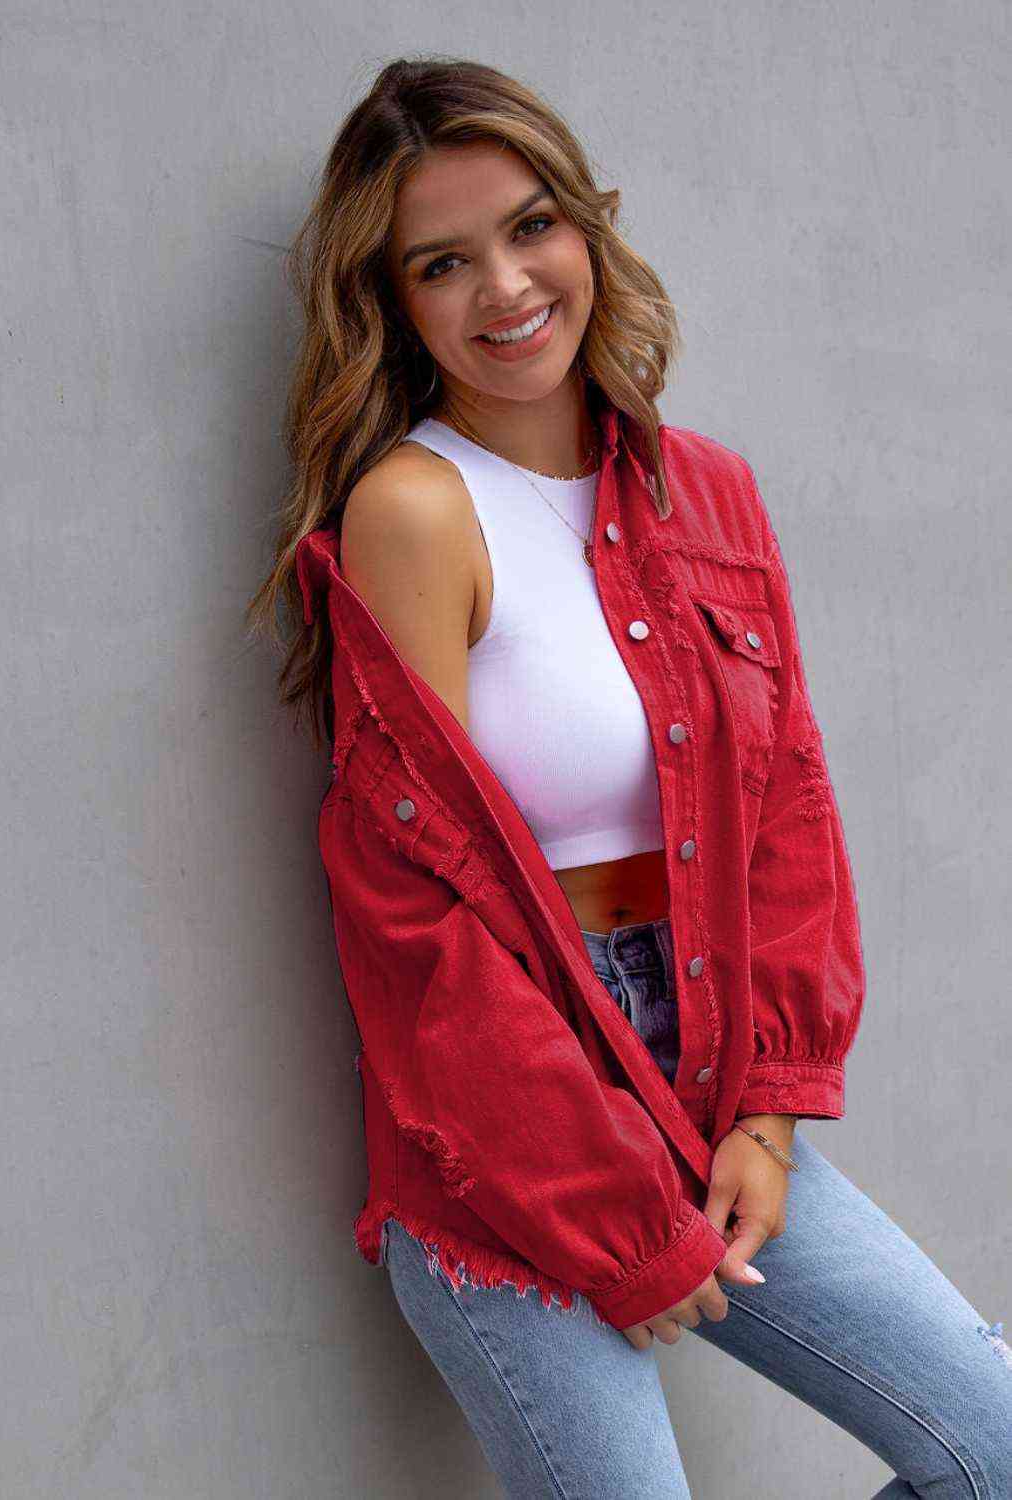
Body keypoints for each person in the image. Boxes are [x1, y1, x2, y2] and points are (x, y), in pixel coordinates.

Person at [248, 56, 1012, 1499]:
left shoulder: (702, 489)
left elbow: (786, 813)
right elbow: (414, 916)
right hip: (510, 1138)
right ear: (393, 303)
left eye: (530, 227)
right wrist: (608, 1213)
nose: (504, 287)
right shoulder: (413, 512)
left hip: (712, 1088)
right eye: (441, 263)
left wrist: (768, 1112)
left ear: (586, 228)